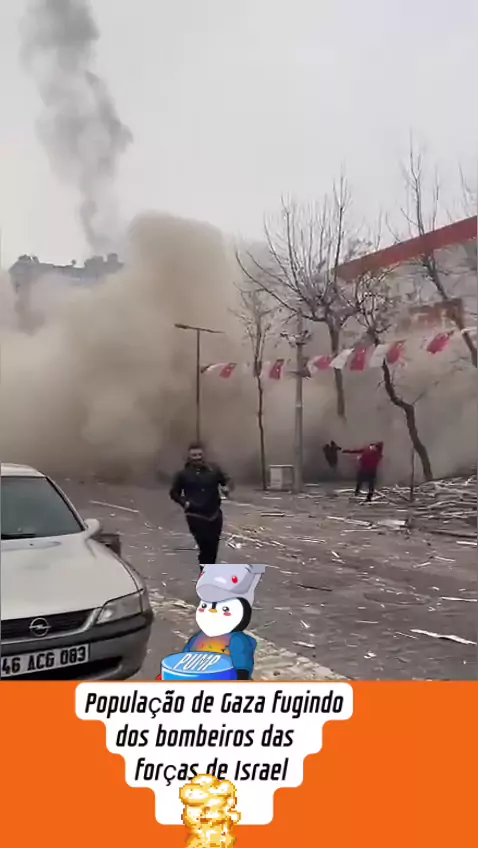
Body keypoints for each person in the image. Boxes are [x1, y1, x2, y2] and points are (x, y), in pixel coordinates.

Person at [169, 443, 232, 570]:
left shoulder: (214, 470)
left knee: (213, 546)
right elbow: (174, 493)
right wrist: (184, 503)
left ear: (204, 455)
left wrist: (226, 488)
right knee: (205, 545)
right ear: (189, 456)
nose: (197, 458)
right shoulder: (183, 474)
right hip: (195, 515)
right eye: (194, 455)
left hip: (214, 514)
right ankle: (205, 571)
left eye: (199, 454)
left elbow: (226, 480)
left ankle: (208, 572)